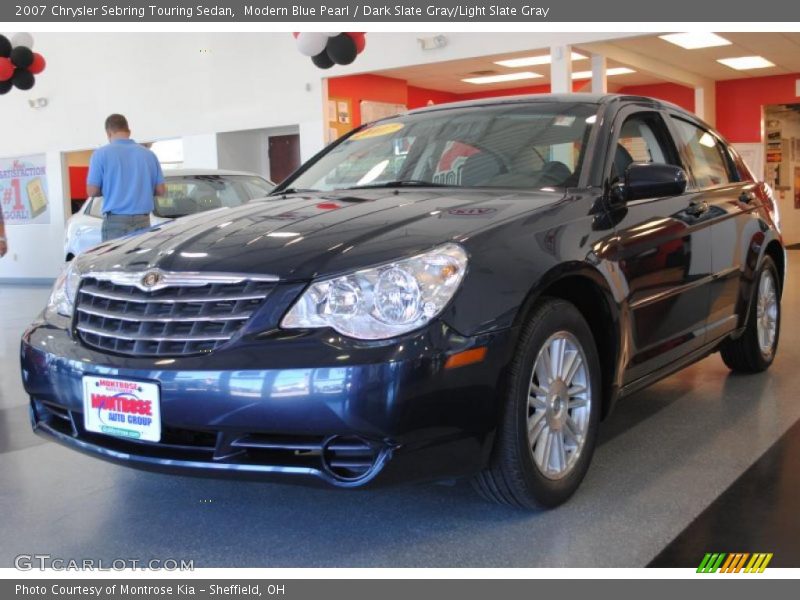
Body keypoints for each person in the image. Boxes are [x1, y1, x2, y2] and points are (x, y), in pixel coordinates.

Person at [86, 114, 166, 242]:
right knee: (140, 256)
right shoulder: (149, 155)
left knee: (114, 256)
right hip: (143, 221)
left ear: (108, 133)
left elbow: (92, 191)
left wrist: (110, 188)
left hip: (115, 222)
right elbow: (161, 191)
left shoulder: (100, 154)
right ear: (129, 131)